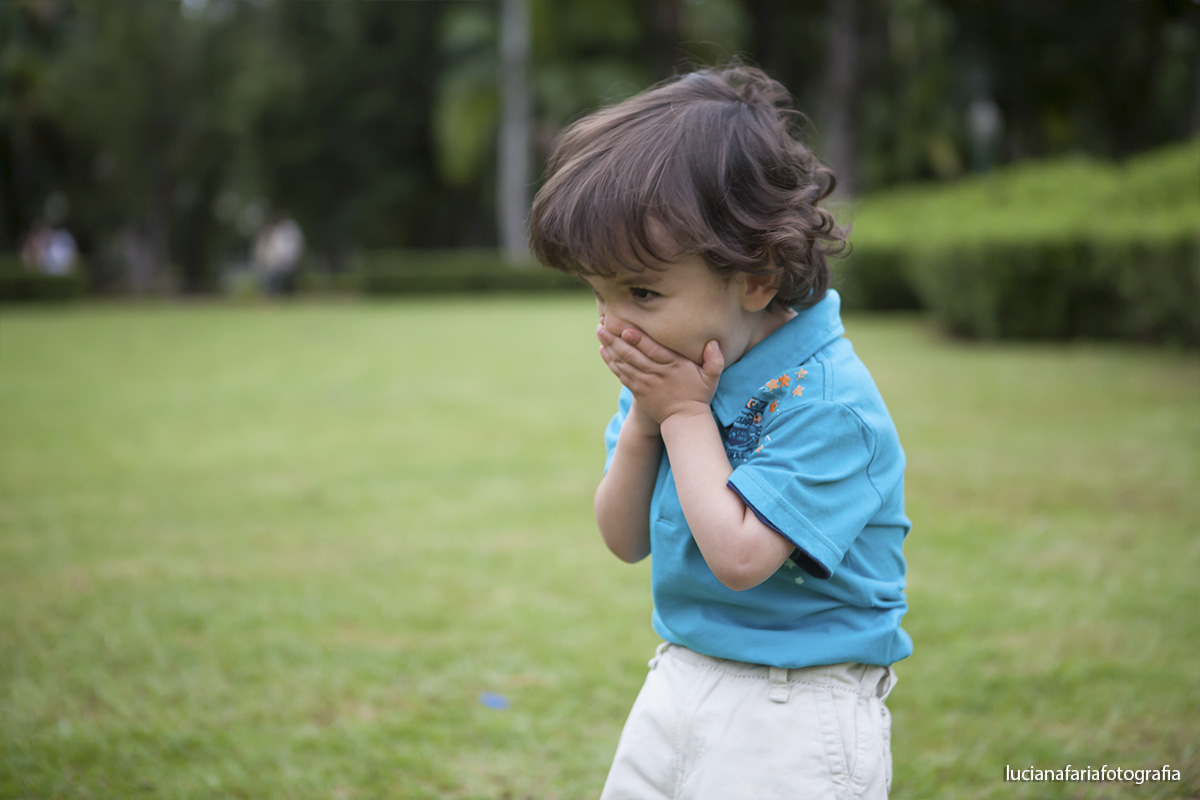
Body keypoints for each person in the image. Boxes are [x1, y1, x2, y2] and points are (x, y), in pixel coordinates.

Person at [528, 65, 911, 799]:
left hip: (796, 706)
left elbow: (739, 557)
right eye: (599, 296)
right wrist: (648, 421)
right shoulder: (678, 377)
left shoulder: (829, 403)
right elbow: (623, 537)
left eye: (641, 293)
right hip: (681, 674)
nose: (613, 326)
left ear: (757, 277)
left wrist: (680, 415)